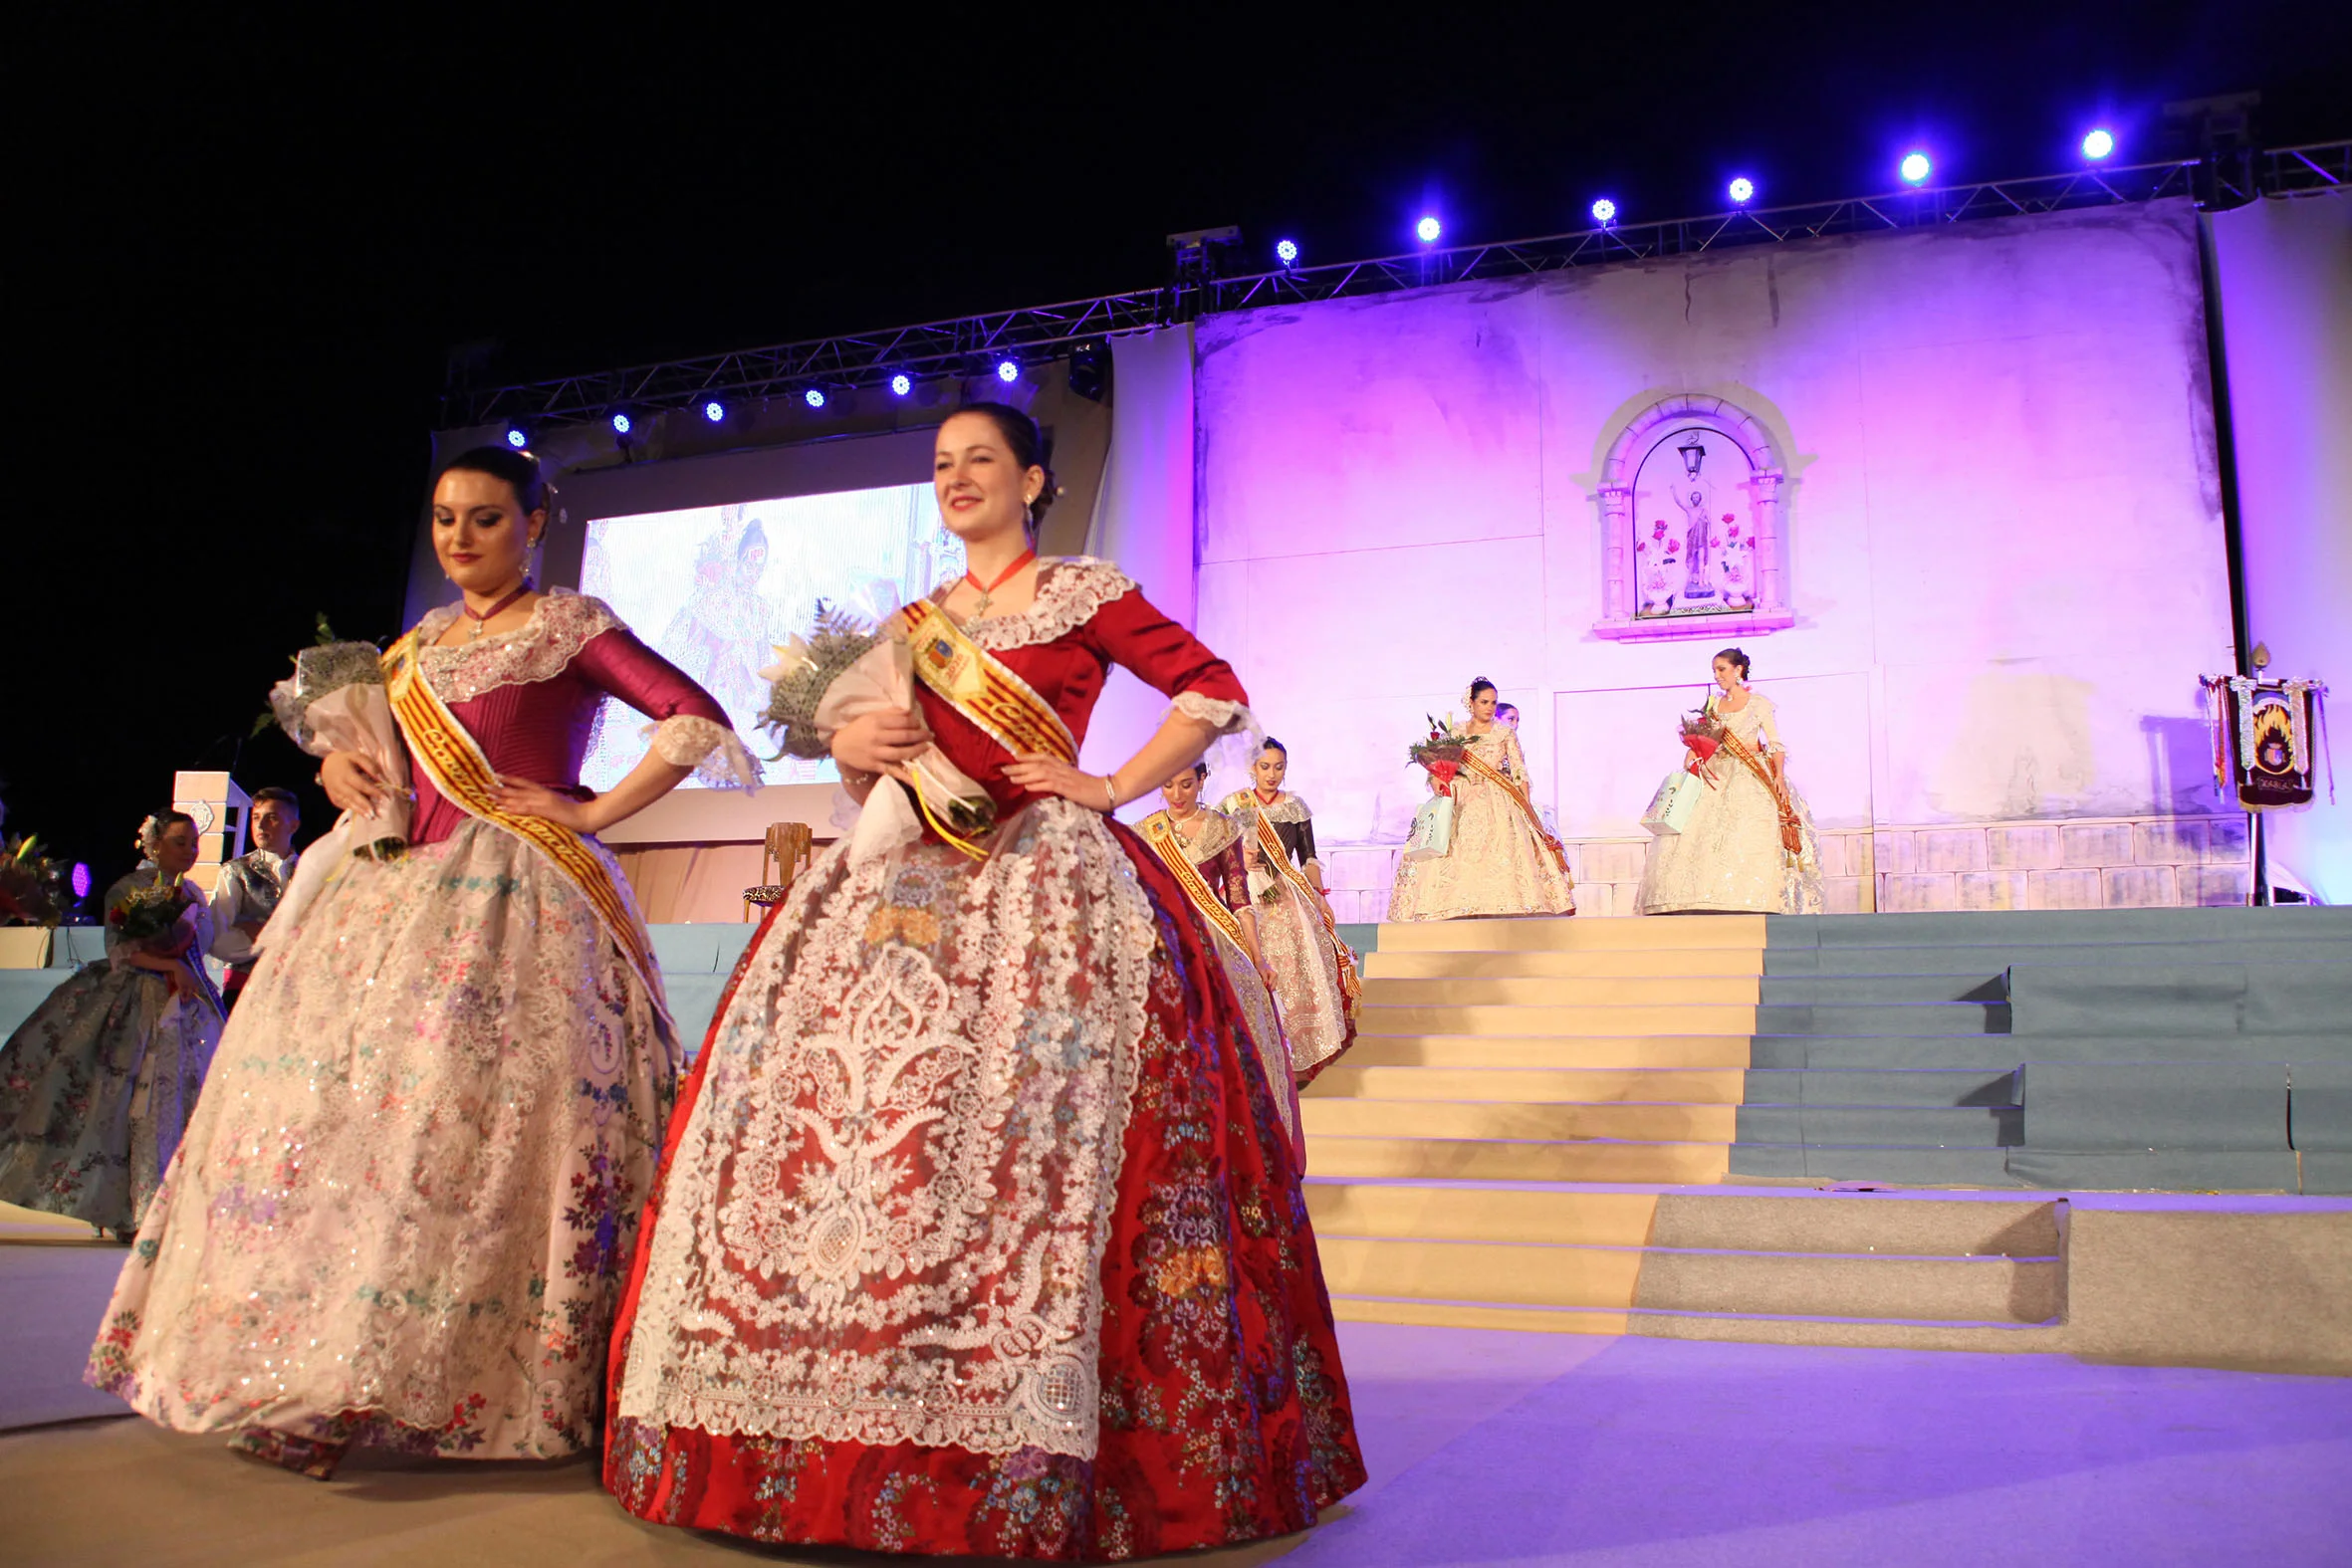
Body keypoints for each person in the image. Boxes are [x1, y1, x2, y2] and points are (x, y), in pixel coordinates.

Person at [605, 402, 1363, 1560]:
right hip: (900, 890)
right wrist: (855, 750)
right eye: (943, 464)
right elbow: (880, 774)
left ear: (1035, 480)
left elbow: (1210, 692)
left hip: (1045, 886)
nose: (957, 479)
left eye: (981, 462)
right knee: (866, 1136)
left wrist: (1107, 784)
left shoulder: (1086, 594)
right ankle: (842, 1417)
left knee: (1025, 1143)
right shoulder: (913, 623)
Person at [86, 446, 756, 1479]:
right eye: (445, 519)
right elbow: (382, 763)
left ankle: (458, 1376)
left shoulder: (571, 627)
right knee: (350, 1130)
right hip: (391, 899)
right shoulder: (416, 646)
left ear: (537, 523)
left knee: (475, 1141)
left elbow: (693, 717)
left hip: (519, 907)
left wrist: (590, 811)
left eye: (486, 519)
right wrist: (340, 760)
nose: (458, 538)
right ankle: (316, 1370)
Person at [0, 812, 223, 1239]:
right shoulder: (128, 890)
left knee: (178, 1103)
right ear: (154, 845)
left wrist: (184, 963)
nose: (191, 850)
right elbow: (120, 952)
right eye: (181, 842)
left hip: (188, 1003)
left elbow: (201, 948)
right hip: (138, 1000)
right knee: (130, 1103)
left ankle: (171, 1206)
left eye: (195, 842)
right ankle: (131, 1206)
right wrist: (169, 962)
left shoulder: (193, 891)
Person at [1139, 762, 1301, 1163]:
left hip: (1215, 943)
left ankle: (1239, 1142)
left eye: (1186, 784)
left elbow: (1238, 898)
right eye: (1168, 785)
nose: (1176, 795)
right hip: (1162, 942)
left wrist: (1258, 958)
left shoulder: (1223, 829)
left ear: (1202, 781)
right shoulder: (1144, 832)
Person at [1638, 647, 1823, 914]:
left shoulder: (1758, 703)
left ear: (1738, 670)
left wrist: (1779, 777)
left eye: (1722, 669)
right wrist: (1693, 752)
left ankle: (1751, 896)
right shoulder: (1714, 704)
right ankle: (1700, 896)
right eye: (1714, 670)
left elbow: (1775, 743)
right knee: (1701, 834)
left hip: (1749, 773)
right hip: (1716, 772)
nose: (1717, 675)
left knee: (1746, 831)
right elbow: (1707, 737)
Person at [1219, 741, 1360, 1083]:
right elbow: (1219, 854)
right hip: (1244, 894)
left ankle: (1298, 1055)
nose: (1271, 774)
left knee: (1296, 967)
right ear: (1252, 768)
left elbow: (1308, 858)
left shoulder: (1296, 806)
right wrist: (1240, 860)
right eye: (1264, 767)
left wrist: (1320, 896)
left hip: (1286, 895)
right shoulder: (1231, 805)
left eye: (1278, 767)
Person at [1386, 679, 1577, 921]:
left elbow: (1519, 770)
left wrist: (1525, 804)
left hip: (1498, 797)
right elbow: (1438, 769)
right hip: (1461, 797)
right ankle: (1450, 904)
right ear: (1472, 703)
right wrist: (1440, 782)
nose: (1489, 707)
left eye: (1493, 703)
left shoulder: (1504, 733)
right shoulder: (1455, 733)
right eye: (1484, 702)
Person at [207, 785, 301, 1012]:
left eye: (272, 818)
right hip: (245, 988)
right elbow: (217, 939)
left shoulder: (312, 870)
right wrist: (283, 941)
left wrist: (262, 932)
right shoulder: (236, 871)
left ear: (293, 825)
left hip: (298, 986)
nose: (260, 825)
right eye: (256, 817)